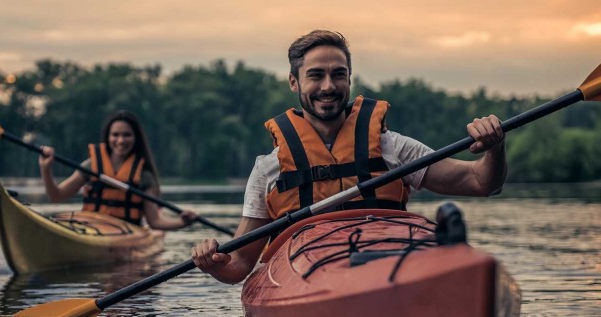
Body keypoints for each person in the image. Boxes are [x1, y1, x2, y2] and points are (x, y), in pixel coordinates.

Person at [191, 29, 507, 284]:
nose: (328, 86)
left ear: (349, 80)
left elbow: (480, 182)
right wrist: (212, 262)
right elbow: (239, 265)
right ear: (294, 82)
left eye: (338, 75)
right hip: (307, 275)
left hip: (390, 259)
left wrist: (494, 147)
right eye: (316, 75)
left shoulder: (392, 148)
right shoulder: (268, 169)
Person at [39, 110, 197, 230]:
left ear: (136, 139)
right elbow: (56, 196)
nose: (120, 141)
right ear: (108, 137)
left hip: (125, 233)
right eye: (115, 135)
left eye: (127, 135)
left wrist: (183, 222)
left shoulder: (144, 176)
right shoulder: (91, 166)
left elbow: (155, 222)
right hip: (90, 228)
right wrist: (46, 169)